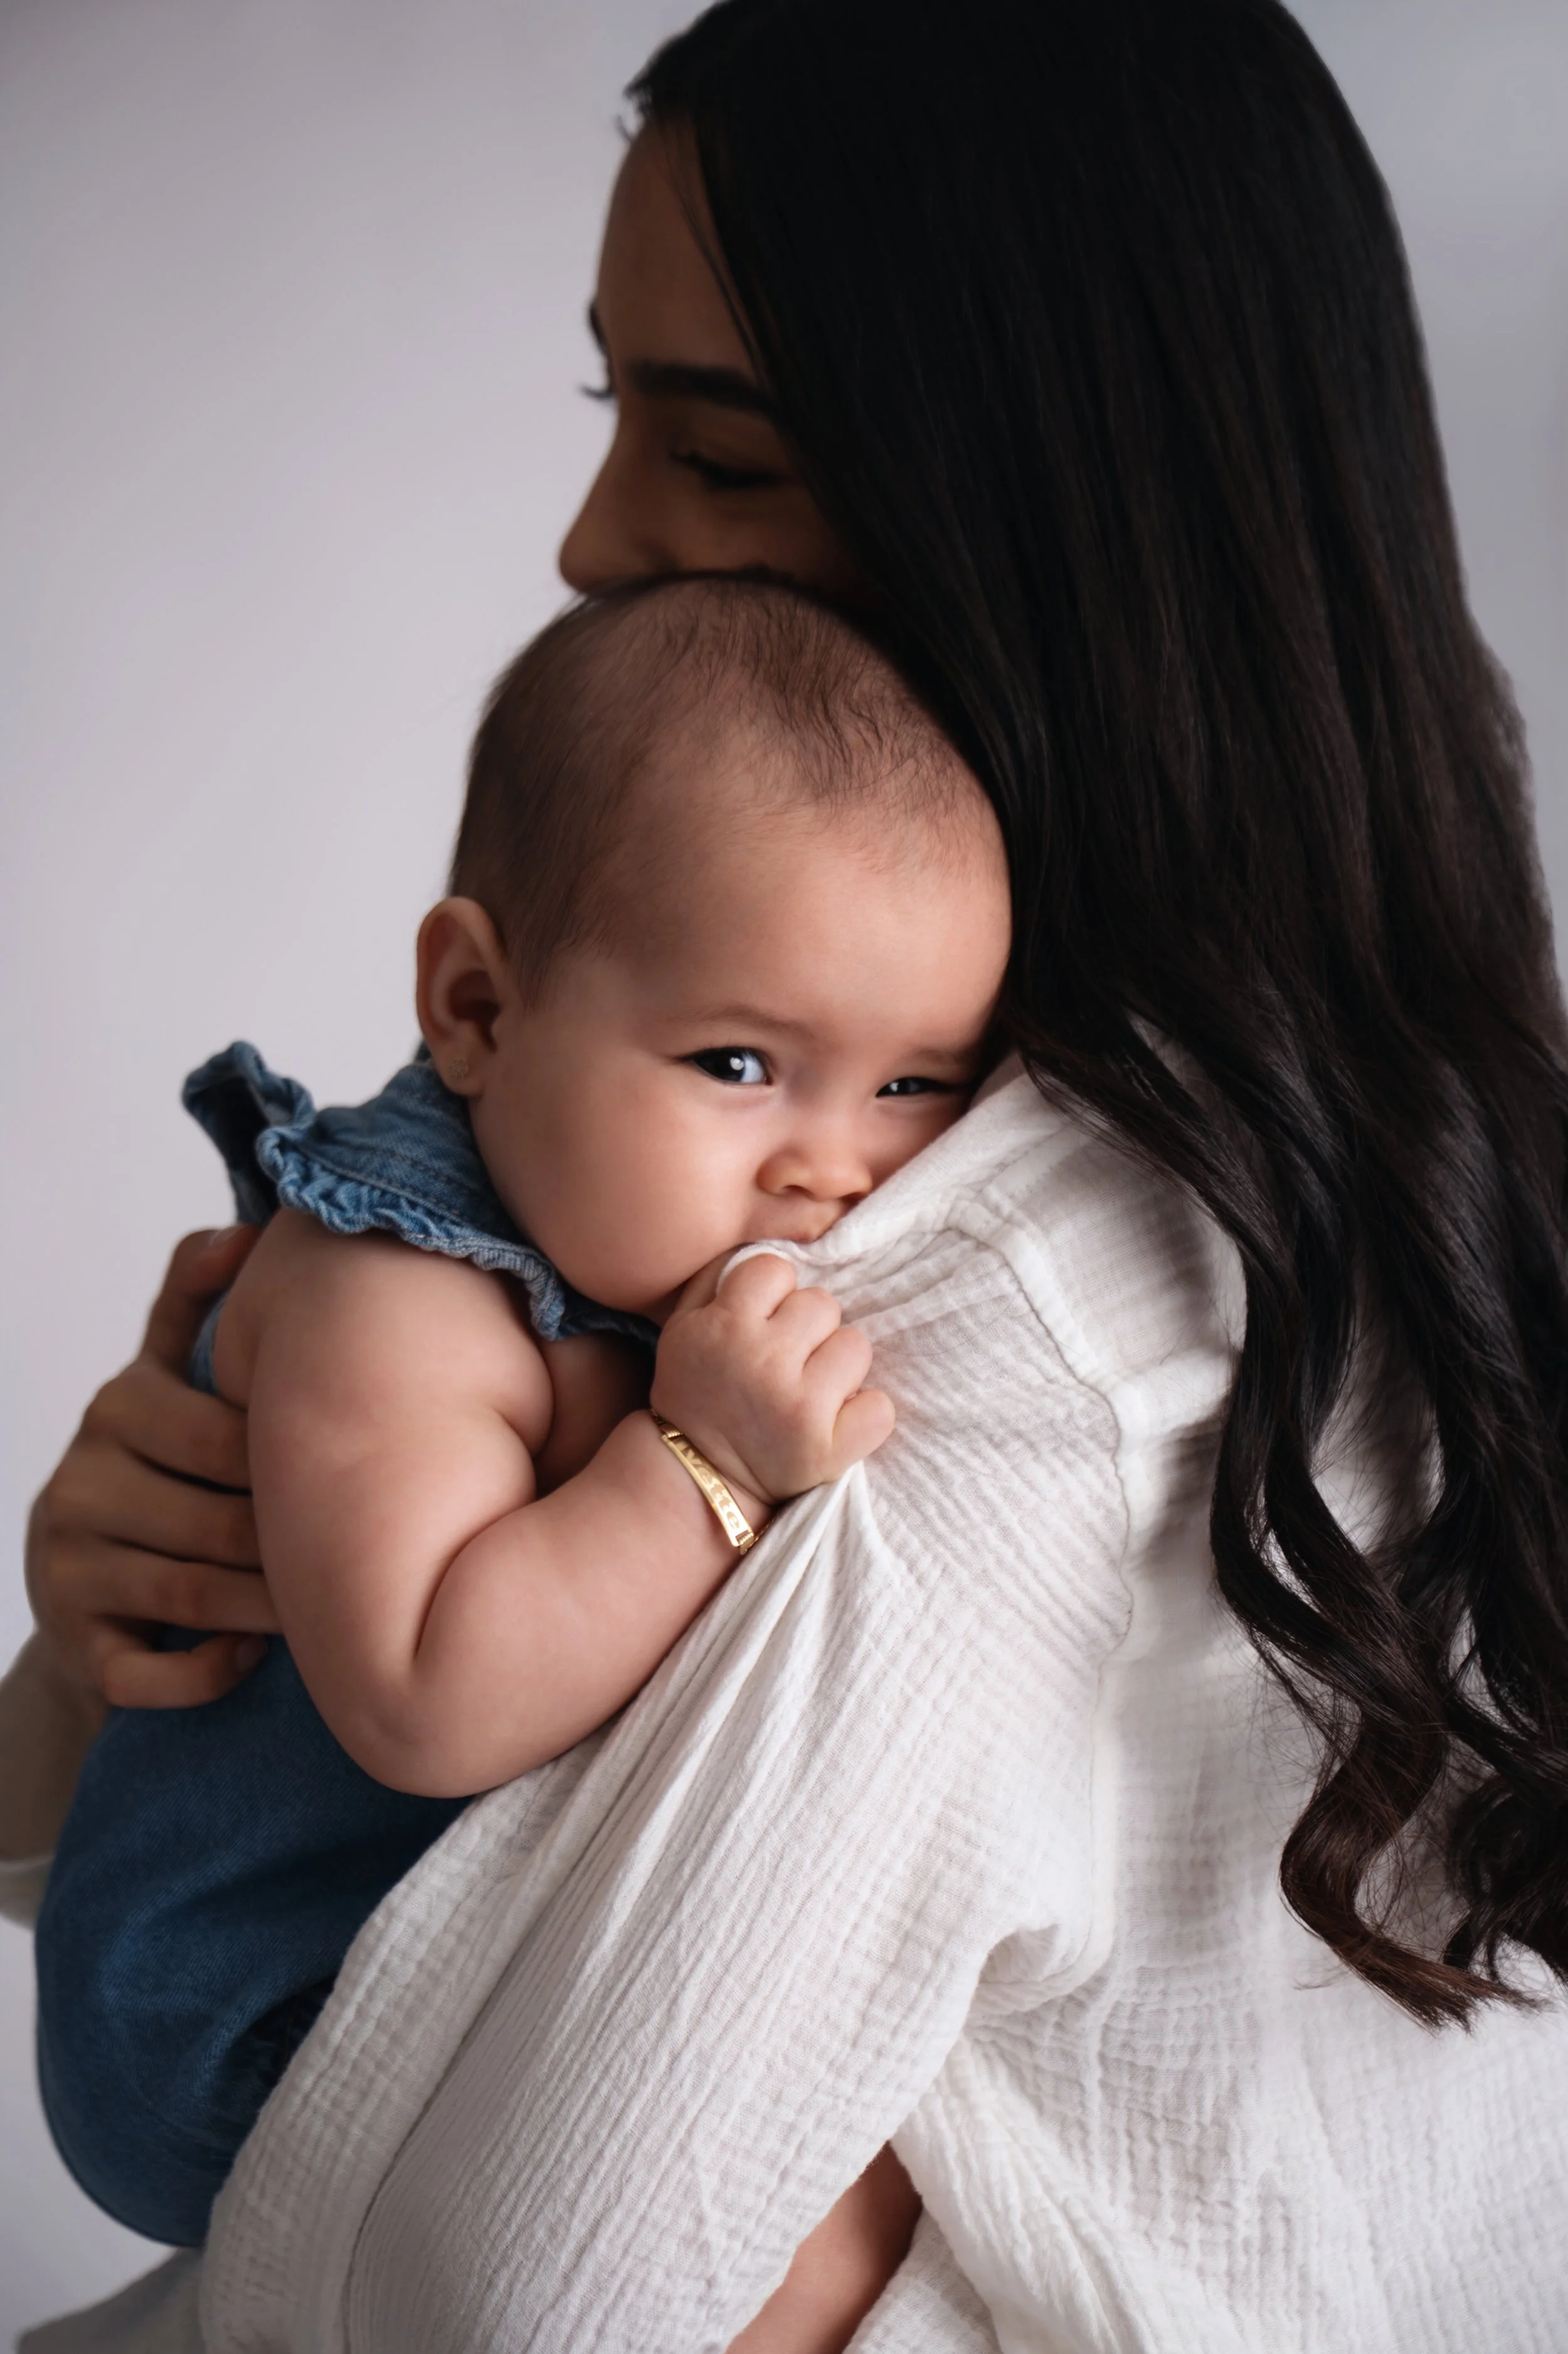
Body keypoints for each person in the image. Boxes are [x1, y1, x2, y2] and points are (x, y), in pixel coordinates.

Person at [8, 0, 1568, 2345]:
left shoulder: (932, 1310)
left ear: (1046, 514)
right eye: (606, 401)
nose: (594, 532)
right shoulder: (1408, 1158)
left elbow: (497, 2286)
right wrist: (118, 1648)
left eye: (713, 449)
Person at [33, 572, 1007, 2259]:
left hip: (437, 1954)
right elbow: (426, 1697)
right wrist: (695, 1465)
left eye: (915, 1084)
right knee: (804, 2224)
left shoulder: (639, 1235)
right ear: (475, 1010)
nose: (830, 1165)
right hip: (244, 2010)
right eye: (735, 1063)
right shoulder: (390, 1289)